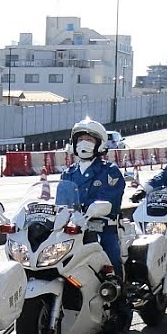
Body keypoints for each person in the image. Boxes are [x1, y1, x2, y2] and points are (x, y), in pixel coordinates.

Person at [57, 117, 126, 276]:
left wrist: (89, 212)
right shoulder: (68, 173)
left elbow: (110, 199)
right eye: (80, 139)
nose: (83, 143)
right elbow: (61, 203)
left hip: (102, 228)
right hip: (72, 229)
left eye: (88, 139)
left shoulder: (110, 171)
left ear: (99, 143)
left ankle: (118, 296)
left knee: (111, 258)